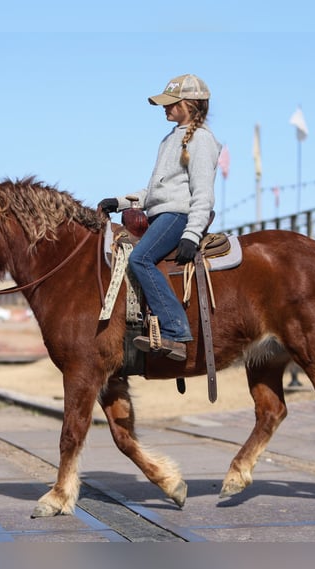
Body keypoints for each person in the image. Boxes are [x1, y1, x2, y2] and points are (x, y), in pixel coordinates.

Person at [98, 74, 221, 361]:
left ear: (189, 104)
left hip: (178, 216)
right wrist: (118, 201)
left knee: (139, 258)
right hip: (161, 213)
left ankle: (176, 331)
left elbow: (203, 194)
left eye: (170, 103)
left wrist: (192, 233)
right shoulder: (170, 139)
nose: (164, 109)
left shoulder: (201, 140)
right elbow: (154, 191)